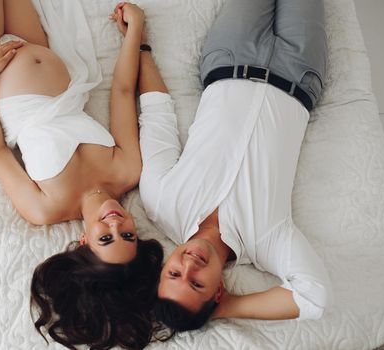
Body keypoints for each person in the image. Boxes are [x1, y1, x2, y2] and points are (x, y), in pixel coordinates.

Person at [0, 1, 163, 349]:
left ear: (83, 243)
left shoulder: (45, 209)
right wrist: (136, 30)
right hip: (34, 48)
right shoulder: (128, 170)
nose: (116, 224)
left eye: (105, 239)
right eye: (128, 236)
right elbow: (123, 91)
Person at [137, 0, 333, 333]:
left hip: (231, 58)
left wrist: (141, 46)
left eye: (174, 273)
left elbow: (158, 115)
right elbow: (314, 296)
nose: (189, 266)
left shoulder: (161, 201)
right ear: (217, 290)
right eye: (197, 284)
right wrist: (226, 308)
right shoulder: (266, 240)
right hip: (299, 72)